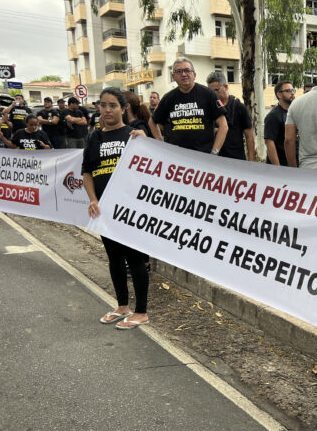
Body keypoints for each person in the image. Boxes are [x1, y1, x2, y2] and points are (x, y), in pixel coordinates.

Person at [83, 87, 149, 330]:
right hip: (104, 210)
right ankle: (122, 306)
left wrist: (144, 142)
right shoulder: (93, 137)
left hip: (129, 209)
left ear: (124, 109)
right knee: (114, 259)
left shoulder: (134, 135)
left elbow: (150, 171)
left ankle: (141, 311)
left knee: (135, 259)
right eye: (103, 105)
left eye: (113, 105)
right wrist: (93, 199)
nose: (107, 109)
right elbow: (87, 171)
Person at [148, 57, 228, 154]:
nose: (183, 74)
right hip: (176, 157)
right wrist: (161, 143)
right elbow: (152, 121)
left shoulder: (208, 94)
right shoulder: (168, 98)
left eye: (187, 70)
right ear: (173, 76)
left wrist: (214, 152)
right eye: (179, 71)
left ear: (194, 75)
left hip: (203, 156)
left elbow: (223, 126)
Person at [205, 71, 255, 161]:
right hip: (214, 159)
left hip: (236, 159)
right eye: (210, 91)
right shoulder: (208, 108)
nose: (213, 94)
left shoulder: (239, 107)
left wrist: (251, 161)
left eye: (216, 90)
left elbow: (249, 136)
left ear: (226, 87)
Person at [264, 81, 296, 166]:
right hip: (282, 165)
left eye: (293, 90)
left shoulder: (295, 112)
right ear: (279, 95)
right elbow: (269, 142)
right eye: (288, 91)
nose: (292, 93)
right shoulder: (273, 116)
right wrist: (277, 168)